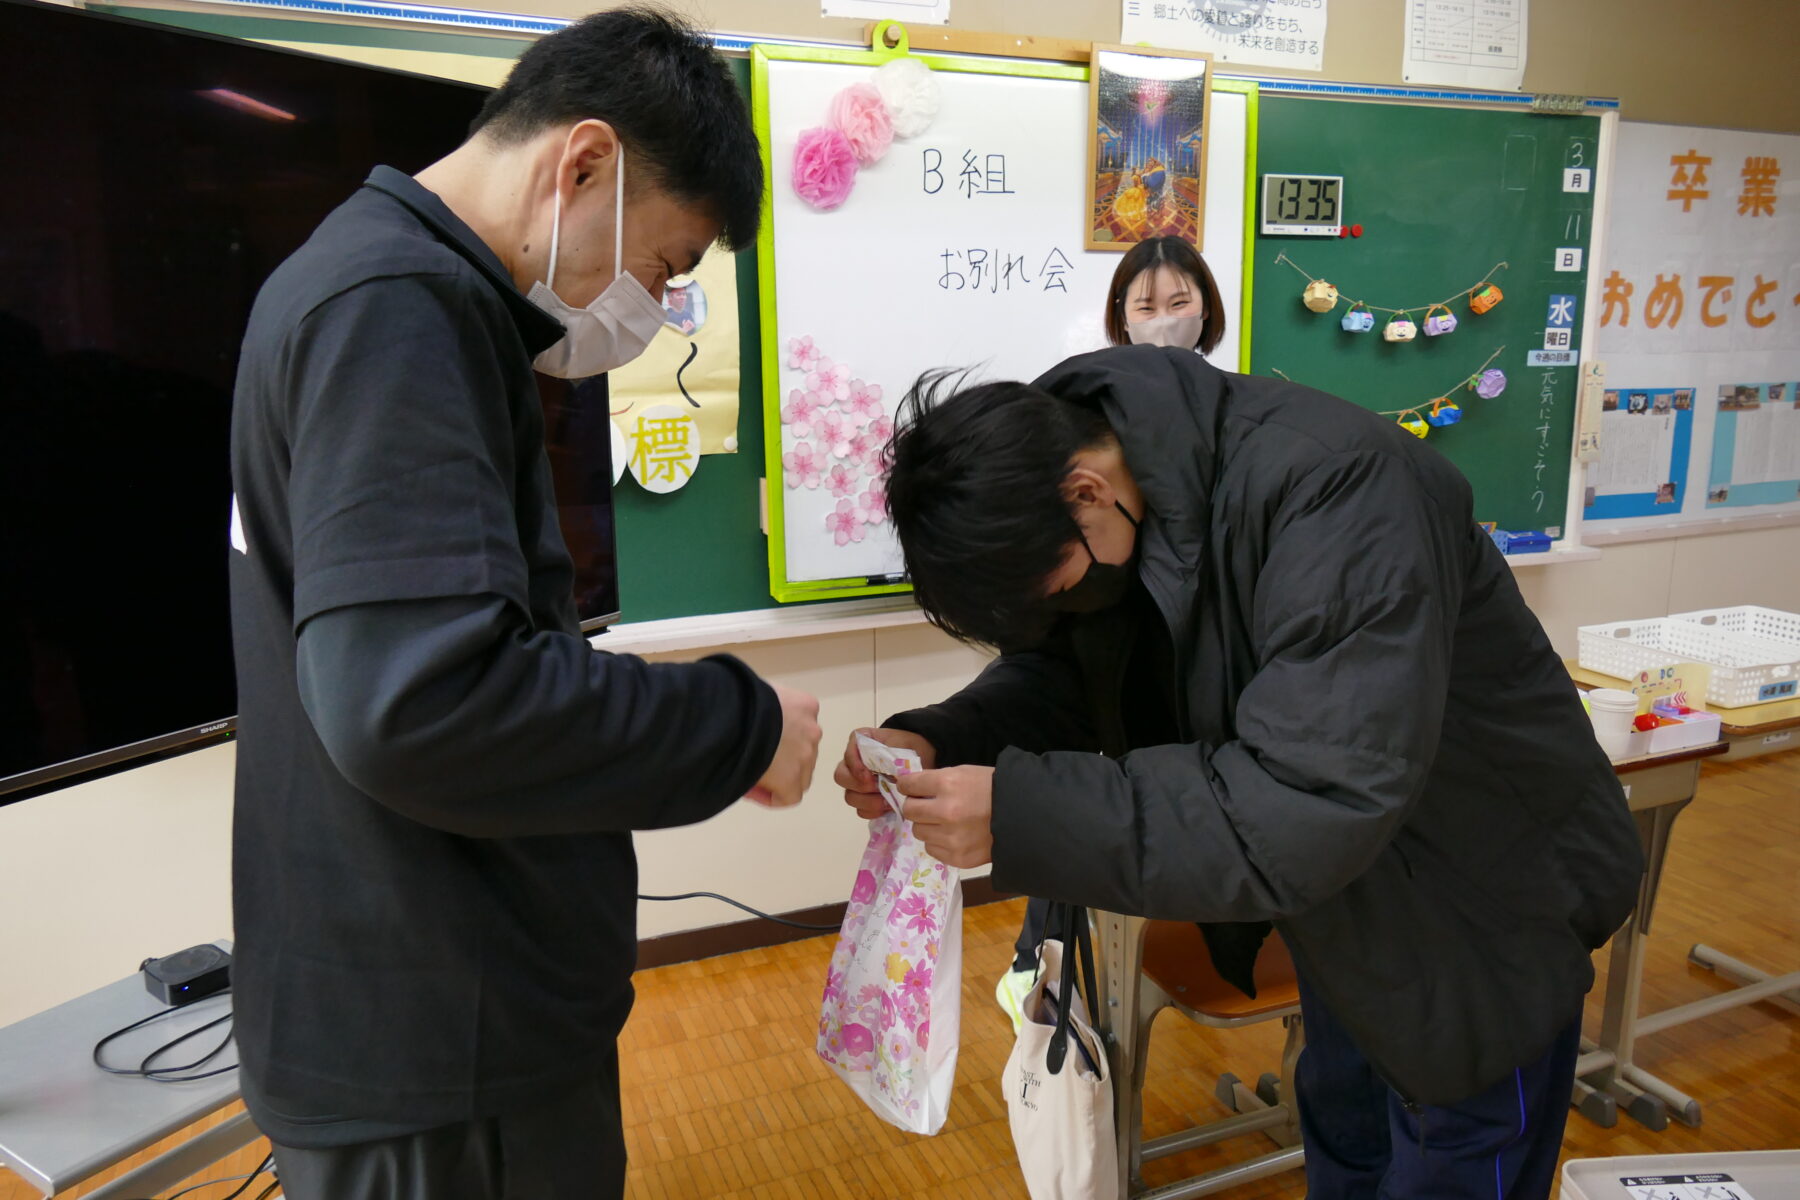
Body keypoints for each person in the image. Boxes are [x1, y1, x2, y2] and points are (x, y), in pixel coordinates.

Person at [228, 9, 822, 1197]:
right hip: (446, 1046)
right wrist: (738, 723)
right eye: (663, 267)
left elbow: (428, 665)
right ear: (585, 163)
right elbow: (426, 703)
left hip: (415, 1009)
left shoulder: (359, 281)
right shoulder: (398, 307)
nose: (650, 307)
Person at [837, 345, 1642, 1198]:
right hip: (1347, 911)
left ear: (1086, 491)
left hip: (1480, 909)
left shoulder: (1342, 492)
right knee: (1348, 1145)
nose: (1059, 608)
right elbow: (1074, 669)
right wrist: (944, 737)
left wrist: (1019, 815)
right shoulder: (1123, 502)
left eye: (1054, 586)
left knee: (1453, 1155)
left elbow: (1311, 794)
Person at [996, 235, 1231, 1031]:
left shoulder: (1232, 411)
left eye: (1180, 302)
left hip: (1190, 660)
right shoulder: (1088, 423)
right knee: (1079, 800)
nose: (1165, 320)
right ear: (1119, 318)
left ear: (1207, 309)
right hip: (1112, 650)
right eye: (1146, 305)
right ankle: (1039, 966)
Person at [1104, 235, 1227, 356]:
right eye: (1146, 308)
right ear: (1123, 317)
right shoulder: (1096, 368)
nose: (1164, 322)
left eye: (1178, 303)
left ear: (1205, 306)